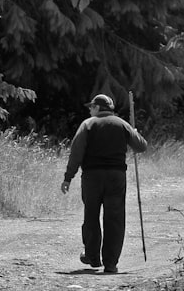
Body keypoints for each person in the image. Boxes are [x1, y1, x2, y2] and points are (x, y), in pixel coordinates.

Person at [60, 94, 147, 273]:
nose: (90, 110)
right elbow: (141, 147)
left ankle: (92, 256)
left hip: (92, 177)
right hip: (116, 176)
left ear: (98, 108)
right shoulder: (122, 124)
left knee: (91, 215)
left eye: (91, 107)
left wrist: (68, 177)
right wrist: (135, 132)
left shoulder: (88, 124)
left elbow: (76, 153)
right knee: (114, 218)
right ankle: (111, 263)